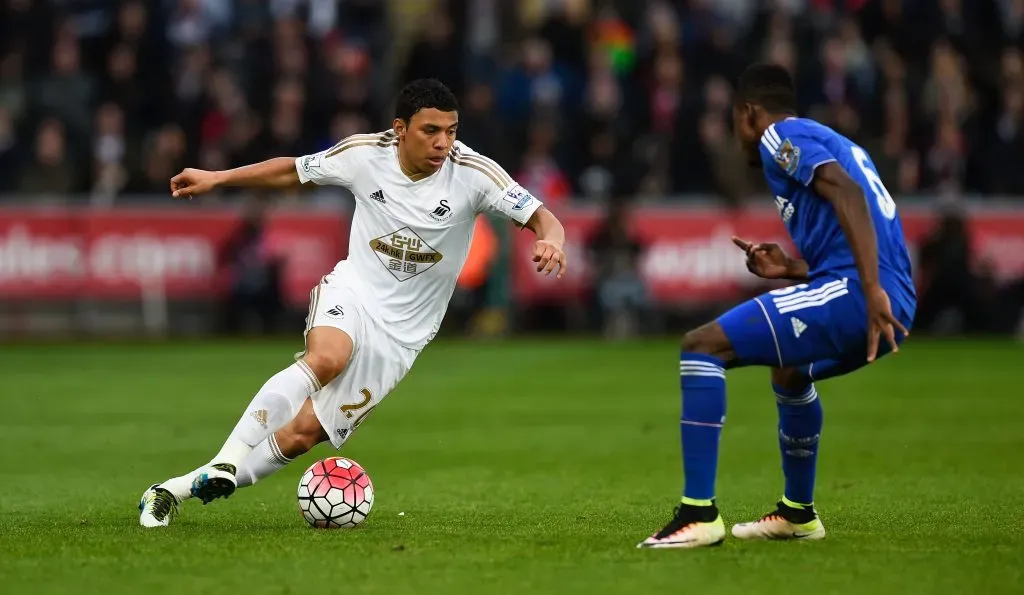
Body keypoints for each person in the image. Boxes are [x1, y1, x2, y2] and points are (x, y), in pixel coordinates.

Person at [139, 79, 568, 527]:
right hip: (354, 292)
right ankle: (228, 458)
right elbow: (294, 170)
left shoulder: (475, 174)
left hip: (403, 336)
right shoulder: (364, 153)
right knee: (327, 357)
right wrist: (220, 178)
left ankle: (172, 490)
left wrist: (551, 241)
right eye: (430, 130)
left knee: (301, 435)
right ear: (400, 128)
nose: (444, 142)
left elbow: (543, 216)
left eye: (452, 130)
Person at [637, 64, 916, 549]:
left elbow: (845, 193)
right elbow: (862, 218)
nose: (736, 135)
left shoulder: (777, 136)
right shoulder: (833, 140)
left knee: (702, 346)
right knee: (789, 371)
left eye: (734, 123)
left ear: (748, 114)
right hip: (887, 294)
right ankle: (797, 514)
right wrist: (795, 270)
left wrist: (869, 289)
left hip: (862, 293)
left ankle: (697, 514)